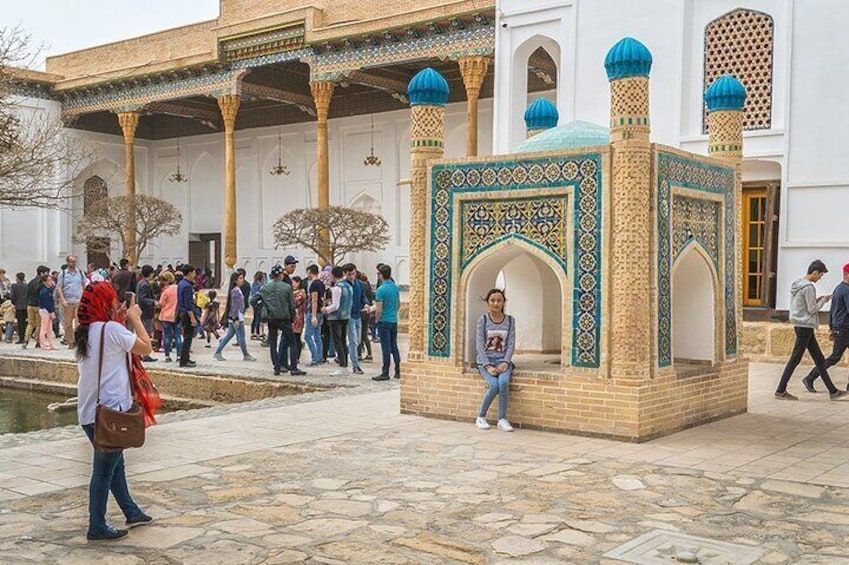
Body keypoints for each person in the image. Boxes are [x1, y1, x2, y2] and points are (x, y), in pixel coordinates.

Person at [75, 282, 154, 541]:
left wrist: (121, 318)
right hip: (109, 414)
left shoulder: (85, 330)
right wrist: (134, 318)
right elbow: (146, 347)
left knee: (116, 464)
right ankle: (96, 525)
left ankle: (131, 511)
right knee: (103, 471)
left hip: (90, 412)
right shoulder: (111, 330)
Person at [775, 260, 848, 401]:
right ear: (815, 272)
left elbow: (803, 305)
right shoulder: (809, 287)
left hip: (801, 324)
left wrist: (817, 299)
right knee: (795, 359)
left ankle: (833, 391)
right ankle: (780, 390)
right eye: (820, 275)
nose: (820, 278)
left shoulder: (798, 284)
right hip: (805, 326)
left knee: (820, 360)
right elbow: (812, 309)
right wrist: (823, 301)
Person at [473, 289, 516, 431]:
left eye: (499, 300)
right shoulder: (483, 320)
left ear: (504, 302)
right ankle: (481, 417)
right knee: (494, 385)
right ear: (488, 302)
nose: (496, 303)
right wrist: (487, 365)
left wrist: (505, 362)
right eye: (492, 300)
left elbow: (511, 343)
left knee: (503, 383)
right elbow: (479, 345)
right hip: (486, 362)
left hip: (503, 361)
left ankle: (502, 419)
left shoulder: (510, 320)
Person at [252, 265, 305, 376]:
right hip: (284, 318)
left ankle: (277, 367)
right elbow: (292, 305)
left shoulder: (265, 287)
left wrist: (262, 307)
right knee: (292, 342)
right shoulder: (287, 287)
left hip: (271, 318)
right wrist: (292, 317)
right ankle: (294, 367)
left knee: (273, 343)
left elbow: (253, 300)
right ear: (281, 275)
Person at [212, 272, 256, 362]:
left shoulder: (236, 290)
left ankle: (218, 352)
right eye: (240, 278)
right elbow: (235, 306)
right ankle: (246, 354)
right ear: (235, 281)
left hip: (235, 317)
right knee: (241, 336)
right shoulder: (235, 291)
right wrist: (235, 318)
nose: (242, 280)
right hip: (237, 317)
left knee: (229, 335)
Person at [371, 264, 401, 381]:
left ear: (381, 275)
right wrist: (392, 313)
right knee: (394, 346)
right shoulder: (395, 287)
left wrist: (377, 320)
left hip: (384, 321)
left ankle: (385, 372)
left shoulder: (380, 290)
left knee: (386, 348)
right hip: (393, 320)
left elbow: (378, 309)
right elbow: (398, 304)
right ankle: (398, 371)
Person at [323, 266, 352, 376]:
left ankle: (342, 366)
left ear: (333, 275)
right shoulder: (348, 286)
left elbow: (335, 305)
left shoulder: (336, 288)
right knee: (343, 341)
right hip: (346, 316)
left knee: (337, 342)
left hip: (336, 318)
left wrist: (326, 309)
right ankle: (344, 366)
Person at [341, 264, 369, 375]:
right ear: (345, 274)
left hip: (358, 315)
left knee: (357, 341)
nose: (352, 276)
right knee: (353, 341)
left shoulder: (358, 284)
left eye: (353, 274)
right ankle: (355, 366)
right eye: (349, 274)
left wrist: (366, 304)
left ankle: (343, 354)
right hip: (349, 316)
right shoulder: (343, 285)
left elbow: (363, 296)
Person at [57, 255, 88, 349]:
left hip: (78, 300)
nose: (73, 263)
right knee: (68, 324)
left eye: (75, 261)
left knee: (79, 323)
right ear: (67, 262)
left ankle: (78, 342)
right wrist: (62, 299)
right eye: (71, 262)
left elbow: (84, 285)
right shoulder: (63, 274)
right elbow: (59, 287)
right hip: (68, 301)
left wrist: (84, 298)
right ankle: (70, 342)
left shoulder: (80, 273)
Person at [303, 265, 325, 366]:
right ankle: (319, 357)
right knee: (317, 336)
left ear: (310, 271)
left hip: (313, 311)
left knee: (307, 336)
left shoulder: (314, 284)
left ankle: (315, 357)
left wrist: (313, 315)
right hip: (320, 311)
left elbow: (314, 299)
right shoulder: (321, 283)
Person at [23, 265, 49, 349]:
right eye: (46, 273)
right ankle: (38, 341)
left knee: (30, 324)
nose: (47, 274)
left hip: (30, 305)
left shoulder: (31, 282)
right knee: (39, 324)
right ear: (41, 273)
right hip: (39, 305)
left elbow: (27, 294)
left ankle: (26, 340)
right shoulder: (42, 282)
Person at [158, 271, 181, 363]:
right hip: (177, 315)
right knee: (178, 336)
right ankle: (179, 356)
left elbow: (161, 304)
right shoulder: (179, 289)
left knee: (167, 336)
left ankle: (167, 356)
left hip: (166, 316)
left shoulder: (166, 291)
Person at [136, 265, 158, 362]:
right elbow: (142, 299)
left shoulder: (140, 282)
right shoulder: (145, 284)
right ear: (150, 273)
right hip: (146, 312)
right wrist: (153, 302)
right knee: (145, 333)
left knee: (141, 333)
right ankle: (145, 354)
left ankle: (140, 354)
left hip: (142, 311)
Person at [177, 265, 197, 368]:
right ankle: (184, 360)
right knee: (188, 337)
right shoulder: (187, 286)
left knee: (187, 337)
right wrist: (192, 318)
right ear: (189, 273)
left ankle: (186, 358)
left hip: (182, 312)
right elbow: (188, 304)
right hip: (186, 313)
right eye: (193, 272)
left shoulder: (181, 284)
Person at [38, 277, 57, 350]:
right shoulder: (44, 291)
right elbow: (47, 303)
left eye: (51, 280)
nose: (51, 282)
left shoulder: (49, 290)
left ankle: (51, 344)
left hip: (48, 310)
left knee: (49, 329)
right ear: (44, 282)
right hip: (45, 310)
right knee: (44, 328)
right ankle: (42, 345)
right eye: (49, 280)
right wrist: (51, 311)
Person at [359, 272, 374, 361]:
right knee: (364, 334)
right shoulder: (367, 286)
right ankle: (369, 354)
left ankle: (359, 354)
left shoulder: (360, 287)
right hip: (367, 312)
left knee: (359, 334)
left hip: (361, 311)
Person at [291, 276, 306, 362]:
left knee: (296, 337)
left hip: (298, 318)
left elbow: (295, 303)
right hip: (294, 317)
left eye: (293, 282)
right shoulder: (295, 292)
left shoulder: (301, 293)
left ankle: (297, 356)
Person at [10, 272, 28, 344]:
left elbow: (12, 296)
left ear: (17, 278)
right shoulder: (27, 286)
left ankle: (21, 338)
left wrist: (14, 303)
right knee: (26, 322)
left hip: (18, 306)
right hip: (26, 305)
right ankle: (27, 336)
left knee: (20, 323)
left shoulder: (14, 286)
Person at [250, 271, 266, 340]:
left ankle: (253, 332)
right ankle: (257, 333)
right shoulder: (260, 285)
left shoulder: (254, 283)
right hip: (259, 303)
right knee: (258, 318)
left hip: (254, 302)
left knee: (255, 317)